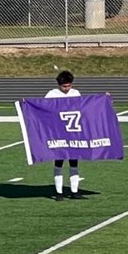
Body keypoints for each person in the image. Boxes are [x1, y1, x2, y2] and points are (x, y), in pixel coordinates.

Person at [45, 70, 83, 200]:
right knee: (59, 161)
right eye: (64, 86)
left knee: (74, 162)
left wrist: (104, 99)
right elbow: (43, 110)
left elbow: (84, 108)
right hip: (58, 133)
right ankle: (59, 192)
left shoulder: (76, 93)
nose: (67, 88)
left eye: (69, 85)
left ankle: (74, 191)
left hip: (72, 133)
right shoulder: (52, 94)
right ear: (59, 85)